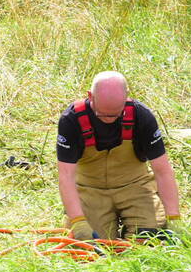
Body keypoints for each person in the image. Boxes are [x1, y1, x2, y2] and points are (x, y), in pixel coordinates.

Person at [56, 71, 181, 240]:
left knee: (150, 238)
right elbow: (66, 175)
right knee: (91, 243)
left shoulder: (142, 116)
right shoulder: (71, 120)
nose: (109, 119)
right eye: (102, 114)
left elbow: (162, 171)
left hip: (135, 187)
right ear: (90, 96)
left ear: (126, 97)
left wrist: (174, 218)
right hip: (91, 190)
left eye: (115, 114)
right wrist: (78, 221)